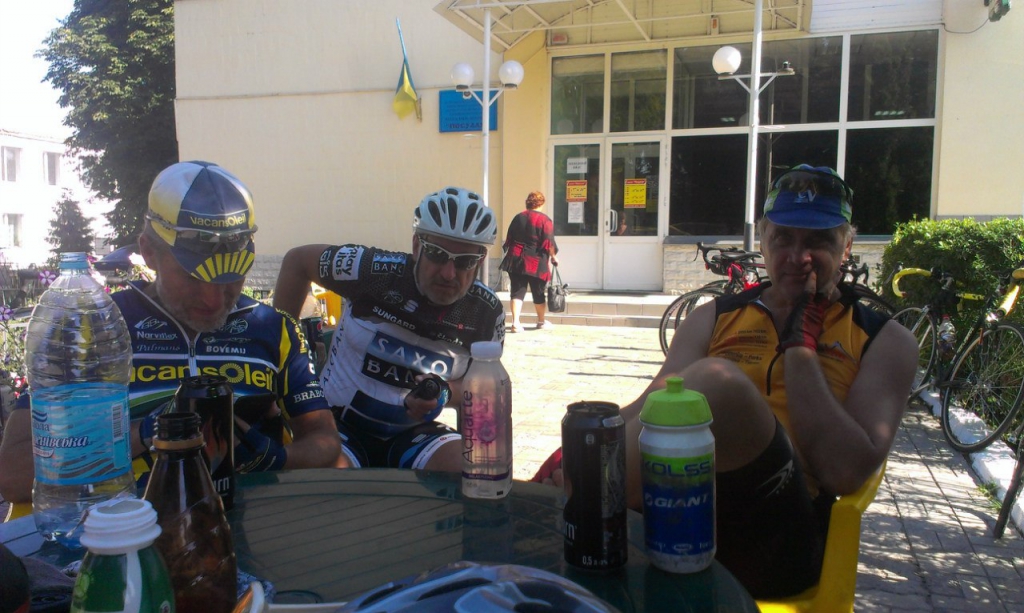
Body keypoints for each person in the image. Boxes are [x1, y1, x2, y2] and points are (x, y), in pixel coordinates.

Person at [534, 165, 917, 599]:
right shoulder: (715, 317)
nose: (798, 256)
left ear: (846, 246)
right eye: (783, 238)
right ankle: (576, 498)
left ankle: (576, 506)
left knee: (719, 385)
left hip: (782, 539)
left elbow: (845, 472)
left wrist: (801, 348)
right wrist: (580, 450)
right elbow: (650, 404)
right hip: (681, 511)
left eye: (818, 241)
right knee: (641, 417)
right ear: (763, 239)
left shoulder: (885, 340)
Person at [0, 161, 342, 504]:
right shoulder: (89, 327)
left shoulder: (272, 327)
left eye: (230, 278)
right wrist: (148, 432)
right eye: (193, 278)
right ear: (148, 252)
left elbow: (326, 444)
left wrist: (276, 459)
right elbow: (12, 474)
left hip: (246, 523)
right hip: (125, 526)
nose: (213, 300)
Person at [272, 186, 505, 472]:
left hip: (414, 434)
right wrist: (281, 356)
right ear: (417, 246)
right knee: (326, 476)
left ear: (480, 261)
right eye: (436, 254)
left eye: (465, 261)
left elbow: (483, 385)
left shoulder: (486, 312)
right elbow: (297, 262)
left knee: (475, 467)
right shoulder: (372, 271)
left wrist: (444, 392)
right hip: (339, 425)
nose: (448, 273)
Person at [499, 191, 558, 333]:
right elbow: (548, 242)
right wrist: (554, 256)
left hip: (516, 258)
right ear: (541, 204)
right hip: (536, 261)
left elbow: (509, 237)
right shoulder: (545, 220)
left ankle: (515, 323)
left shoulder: (518, 217)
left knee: (517, 291)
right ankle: (541, 321)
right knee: (538, 292)